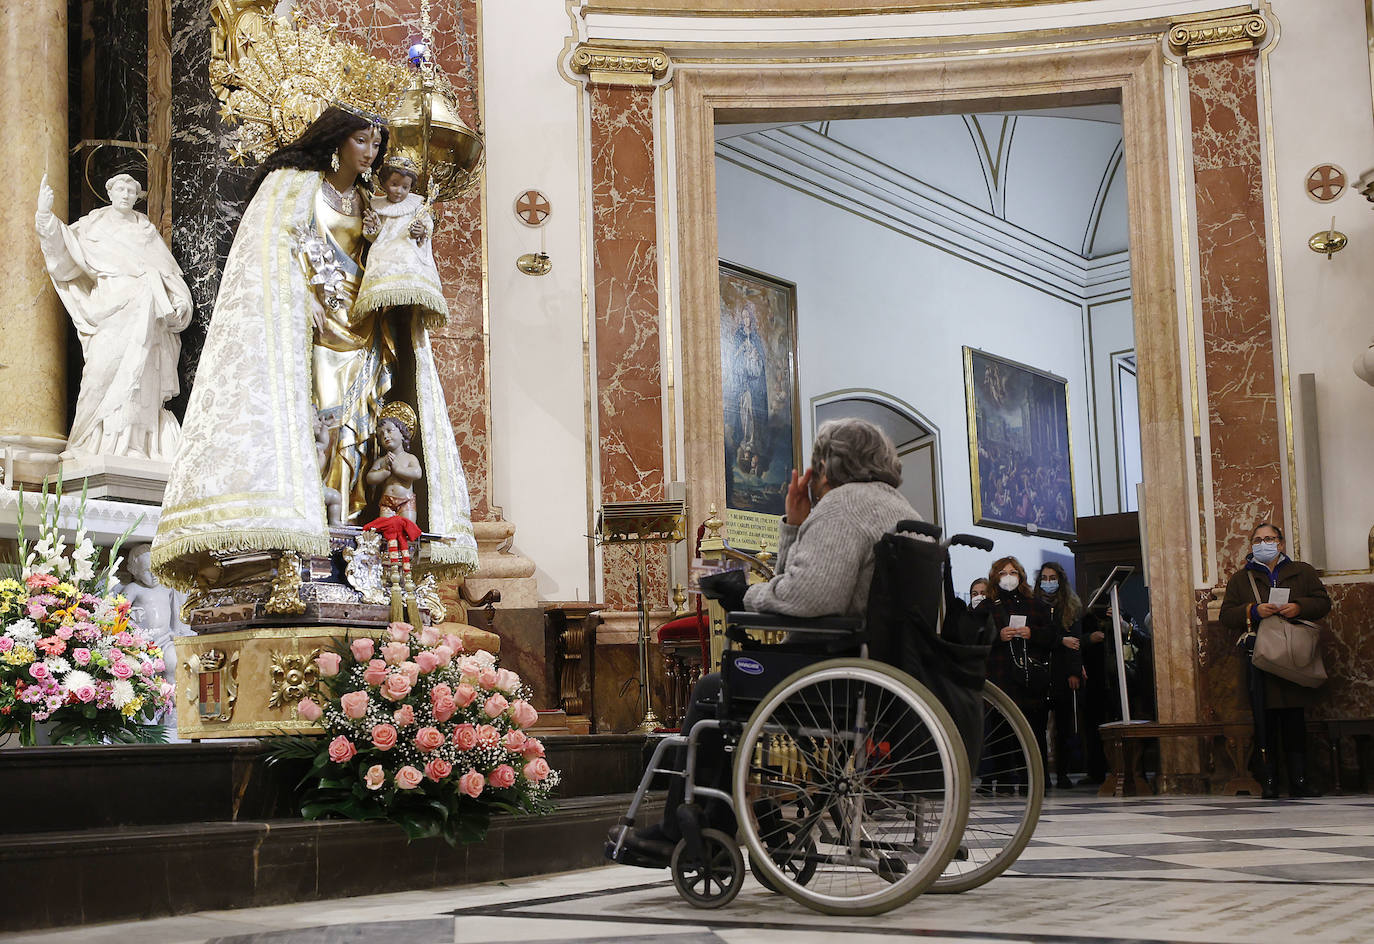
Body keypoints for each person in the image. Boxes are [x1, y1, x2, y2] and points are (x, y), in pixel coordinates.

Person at [152, 106, 478, 589]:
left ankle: (350, 523)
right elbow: (269, 251)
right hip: (314, 324)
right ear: (338, 140)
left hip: (365, 324)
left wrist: (416, 233)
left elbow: (393, 251)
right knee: (319, 421)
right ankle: (313, 524)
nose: (370, 154)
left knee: (360, 423)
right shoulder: (292, 185)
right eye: (362, 142)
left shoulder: (373, 200)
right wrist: (298, 296)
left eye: (376, 144)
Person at [615, 417, 919, 866]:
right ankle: (725, 821)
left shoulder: (843, 508)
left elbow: (806, 595)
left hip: (833, 672)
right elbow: (814, 584)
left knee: (713, 691)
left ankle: (687, 831)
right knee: (728, 690)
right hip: (881, 669)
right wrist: (795, 525)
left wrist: (745, 594)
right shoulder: (902, 509)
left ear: (825, 467)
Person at [35, 173, 193, 461]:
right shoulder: (93, 226)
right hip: (110, 308)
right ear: (109, 192)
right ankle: (86, 439)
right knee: (99, 373)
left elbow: (170, 274)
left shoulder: (146, 231)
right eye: (120, 188)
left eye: (131, 191)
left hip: (147, 313)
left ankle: (134, 443)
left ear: (136, 197)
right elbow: (64, 251)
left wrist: (181, 301)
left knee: (141, 379)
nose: (125, 195)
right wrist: (45, 215)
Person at [1219, 522, 1331, 798]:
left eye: (1269, 539)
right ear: (1252, 546)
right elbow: (1226, 615)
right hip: (1261, 657)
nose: (1263, 544)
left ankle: (1300, 779)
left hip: (1294, 656)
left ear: (1280, 544)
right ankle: (1268, 780)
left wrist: (1299, 607)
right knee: (1264, 720)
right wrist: (1253, 610)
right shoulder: (1241, 579)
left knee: (1294, 720)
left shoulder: (1301, 572)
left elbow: (1323, 602)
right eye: (1258, 540)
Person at [983, 556, 1054, 790]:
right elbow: (974, 638)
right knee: (1001, 730)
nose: (1008, 577)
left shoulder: (1035, 603)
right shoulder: (987, 605)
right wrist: (997, 637)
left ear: (1021, 576)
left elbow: (1052, 636)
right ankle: (1004, 781)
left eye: (1012, 572)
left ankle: (1034, 781)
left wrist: (1031, 633)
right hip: (1000, 675)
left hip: (1029, 677)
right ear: (995, 577)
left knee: (1033, 730)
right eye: (1003, 573)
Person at [353, 156, 448, 326]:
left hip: (407, 251)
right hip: (384, 251)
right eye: (394, 184)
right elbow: (374, 236)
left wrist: (422, 231)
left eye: (405, 187)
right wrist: (373, 227)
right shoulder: (377, 206)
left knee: (409, 257)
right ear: (383, 183)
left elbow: (426, 225)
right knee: (378, 259)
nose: (399, 191)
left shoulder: (417, 205)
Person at [1035, 562, 1083, 789]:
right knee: (1038, 728)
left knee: (1063, 729)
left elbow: (1075, 642)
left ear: (1060, 579)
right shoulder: (1034, 605)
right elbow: (1037, 637)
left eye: (1052, 577)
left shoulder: (1071, 607)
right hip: (1040, 674)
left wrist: (1074, 671)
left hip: (1063, 673)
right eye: (1044, 578)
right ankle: (1042, 775)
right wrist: (1058, 641)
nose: (1048, 582)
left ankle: (1063, 774)